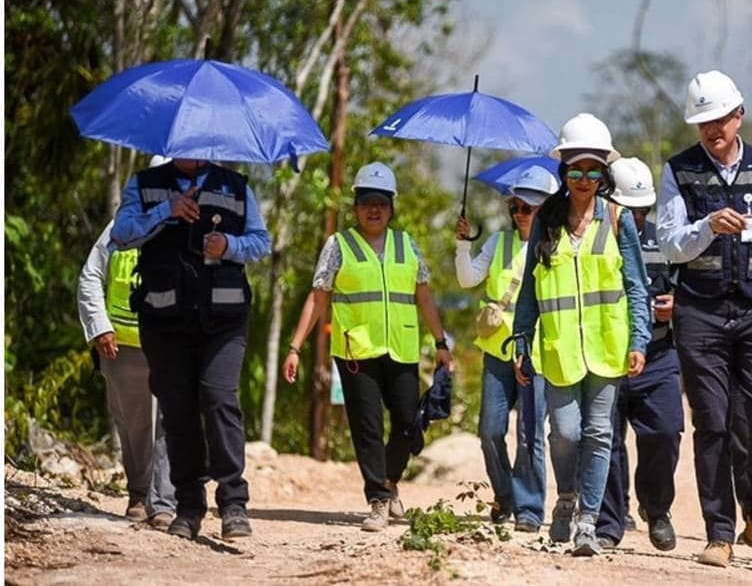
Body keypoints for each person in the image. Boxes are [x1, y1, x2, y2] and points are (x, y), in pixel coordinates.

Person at [655, 70, 752, 568]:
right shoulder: (678, 171)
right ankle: (718, 531)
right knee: (714, 422)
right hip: (700, 310)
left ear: (739, 115)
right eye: (703, 123)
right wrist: (706, 226)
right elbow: (670, 244)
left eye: (719, 119)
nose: (712, 130)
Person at [282, 162, 456, 532]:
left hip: (402, 348)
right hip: (355, 351)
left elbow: (424, 295)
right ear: (355, 206)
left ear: (392, 207)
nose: (373, 209)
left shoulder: (406, 244)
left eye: (381, 202)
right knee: (368, 428)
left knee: (409, 423)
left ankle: (390, 483)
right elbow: (318, 298)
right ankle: (378, 499)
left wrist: (441, 343)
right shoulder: (338, 245)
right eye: (366, 202)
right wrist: (295, 346)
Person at [511, 113, 651, 557]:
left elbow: (636, 285)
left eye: (594, 171)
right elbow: (531, 289)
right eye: (576, 170)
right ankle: (566, 498)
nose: (585, 179)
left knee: (599, 433)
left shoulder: (617, 218)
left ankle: (588, 521)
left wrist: (639, 340)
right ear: (564, 171)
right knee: (565, 433)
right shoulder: (546, 220)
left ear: (604, 173)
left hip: (607, 347)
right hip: (559, 349)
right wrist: (520, 340)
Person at [111, 156, 271, 541]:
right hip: (165, 318)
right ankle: (188, 505)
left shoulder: (235, 186)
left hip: (224, 318)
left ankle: (233, 503)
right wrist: (166, 211)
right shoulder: (145, 185)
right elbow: (122, 234)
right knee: (178, 411)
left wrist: (228, 245)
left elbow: (261, 241)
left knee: (219, 400)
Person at [454, 166, 559, 533]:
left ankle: (530, 510)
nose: (519, 214)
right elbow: (468, 278)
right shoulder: (499, 243)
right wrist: (463, 243)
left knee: (530, 433)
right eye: (515, 207)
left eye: (527, 208)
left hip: (536, 353)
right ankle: (505, 495)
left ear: (546, 209)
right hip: (497, 350)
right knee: (490, 431)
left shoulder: (556, 248)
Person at [77, 156, 176, 530]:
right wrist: (99, 326)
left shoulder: (191, 228)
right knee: (134, 423)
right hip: (124, 344)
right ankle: (138, 493)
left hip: (172, 342)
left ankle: (164, 501)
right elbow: (91, 276)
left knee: (173, 421)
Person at [596, 157, 684, 552]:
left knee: (665, 432)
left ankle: (657, 507)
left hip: (659, 355)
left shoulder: (665, 240)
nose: (637, 217)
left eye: (644, 210)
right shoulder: (592, 240)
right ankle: (610, 521)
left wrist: (675, 306)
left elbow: (690, 287)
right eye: (630, 210)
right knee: (607, 441)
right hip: (607, 357)